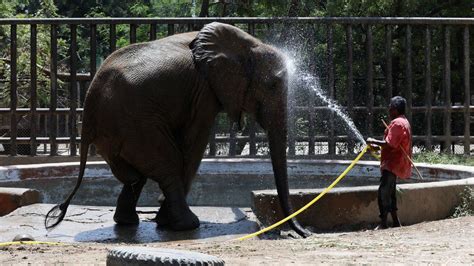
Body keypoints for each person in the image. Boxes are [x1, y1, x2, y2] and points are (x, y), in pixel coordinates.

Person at [366, 96, 412, 229]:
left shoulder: (397, 123)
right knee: (390, 192)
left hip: (392, 163)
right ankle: (396, 222)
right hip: (395, 162)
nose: (389, 110)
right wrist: (377, 147)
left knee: (383, 192)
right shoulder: (404, 121)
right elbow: (393, 144)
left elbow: (389, 144)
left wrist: (372, 140)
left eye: (390, 107)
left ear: (396, 110)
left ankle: (383, 223)